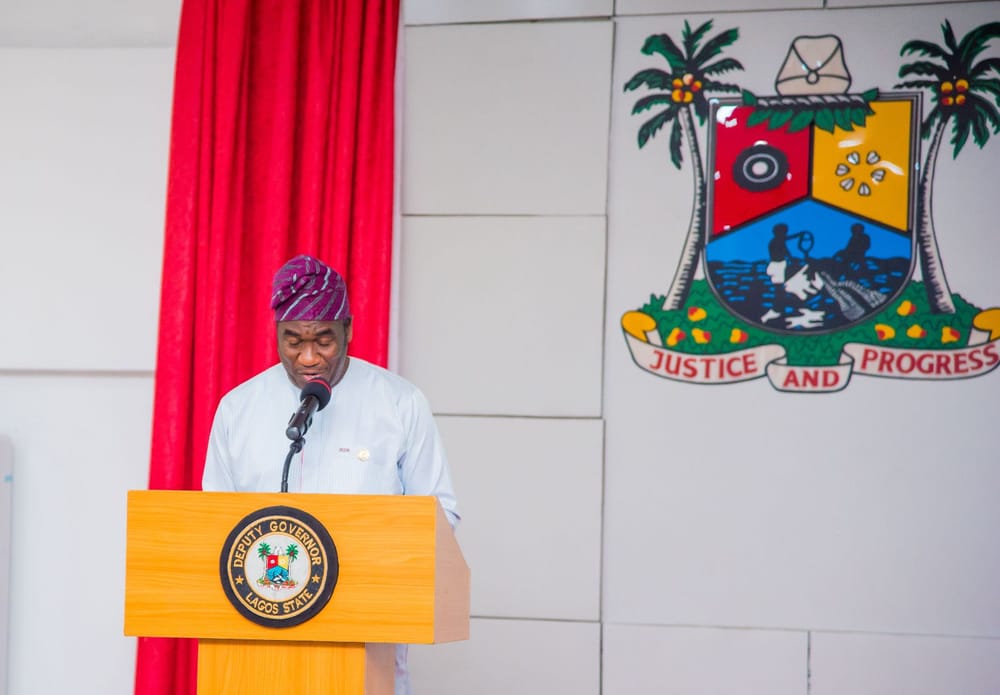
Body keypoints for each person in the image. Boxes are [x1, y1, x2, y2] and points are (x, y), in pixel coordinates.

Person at [203, 253, 460, 695]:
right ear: (276, 333)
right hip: (259, 642)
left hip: (365, 639)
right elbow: (213, 526)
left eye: (324, 340)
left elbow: (441, 515)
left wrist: (373, 564)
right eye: (293, 341)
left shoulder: (399, 404)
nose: (308, 357)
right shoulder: (238, 409)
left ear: (349, 330)